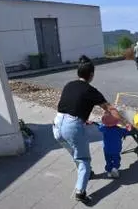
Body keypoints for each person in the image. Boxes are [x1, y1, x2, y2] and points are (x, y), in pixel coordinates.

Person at [52, 61, 131, 203]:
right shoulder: (91, 90)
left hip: (57, 124)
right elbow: (111, 110)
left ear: (78, 73)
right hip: (72, 126)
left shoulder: (69, 85)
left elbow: (71, 104)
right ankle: (80, 191)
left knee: (76, 155)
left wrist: (83, 119)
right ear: (91, 75)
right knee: (83, 159)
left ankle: (87, 173)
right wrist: (126, 123)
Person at [96, 112, 130, 178]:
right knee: (116, 159)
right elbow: (127, 131)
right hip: (116, 149)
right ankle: (115, 168)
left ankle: (109, 171)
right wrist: (128, 127)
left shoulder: (104, 128)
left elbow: (99, 127)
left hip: (107, 149)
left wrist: (100, 123)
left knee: (108, 160)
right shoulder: (119, 129)